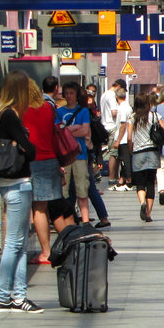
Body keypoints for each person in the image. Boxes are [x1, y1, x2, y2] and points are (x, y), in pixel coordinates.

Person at [0, 72, 41, 313]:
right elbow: (31, 151)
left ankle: (18, 295)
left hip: (7, 182)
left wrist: (18, 144)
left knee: (19, 243)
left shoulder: (0, 115)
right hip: (18, 183)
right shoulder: (11, 116)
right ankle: (6, 296)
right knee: (14, 243)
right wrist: (24, 144)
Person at [22, 79, 74, 266]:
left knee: (40, 208)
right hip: (51, 160)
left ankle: (46, 251)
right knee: (56, 205)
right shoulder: (48, 108)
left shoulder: (21, 111)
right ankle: (71, 244)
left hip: (34, 162)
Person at [122, 94, 164, 223]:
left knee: (140, 183)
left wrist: (131, 150)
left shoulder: (132, 118)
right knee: (150, 182)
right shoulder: (154, 116)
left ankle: (142, 203)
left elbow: (129, 138)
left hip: (138, 153)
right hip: (152, 152)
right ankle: (148, 214)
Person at [55, 80, 93, 225]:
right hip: (64, 156)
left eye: (72, 93)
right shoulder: (58, 112)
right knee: (63, 191)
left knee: (82, 188)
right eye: (66, 93)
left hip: (80, 154)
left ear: (77, 95)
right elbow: (57, 132)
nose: (69, 96)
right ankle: (66, 221)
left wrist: (67, 129)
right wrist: (75, 128)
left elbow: (85, 131)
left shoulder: (83, 111)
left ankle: (85, 220)